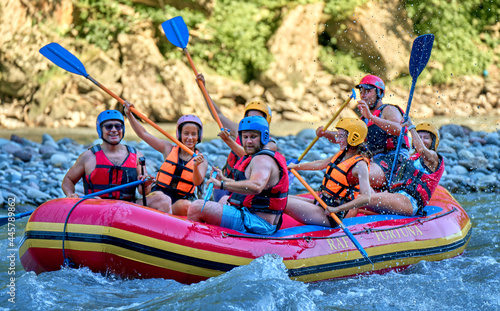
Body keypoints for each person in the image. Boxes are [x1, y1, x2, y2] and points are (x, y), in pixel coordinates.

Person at [187, 116, 289, 235]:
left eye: (253, 137)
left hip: (257, 223)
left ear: (264, 137)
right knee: (225, 199)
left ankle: (194, 243)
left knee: (196, 207)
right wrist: (224, 178)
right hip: (253, 216)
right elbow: (249, 184)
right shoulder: (257, 156)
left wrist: (222, 184)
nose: (248, 141)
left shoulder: (262, 160)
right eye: (245, 137)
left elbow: (256, 186)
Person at [325, 118, 444, 216]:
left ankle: (338, 227)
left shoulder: (434, 158)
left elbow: (422, 149)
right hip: (396, 196)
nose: (422, 140)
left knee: (359, 199)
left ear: (434, 142)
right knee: (358, 193)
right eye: (420, 137)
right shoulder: (412, 159)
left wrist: (411, 127)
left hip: (409, 202)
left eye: (426, 138)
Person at [317, 75, 410, 190]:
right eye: (361, 91)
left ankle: (370, 198)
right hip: (373, 159)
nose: (363, 95)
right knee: (338, 169)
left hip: (394, 157)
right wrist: (325, 133)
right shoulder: (363, 120)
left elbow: (401, 130)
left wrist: (372, 117)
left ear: (379, 93)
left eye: (368, 91)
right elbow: (344, 138)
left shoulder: (388, 110)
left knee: (355, 175)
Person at [62, 110, 168, 209]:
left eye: (118, 126)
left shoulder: (136, 156)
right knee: (97, 201)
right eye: (108, 127)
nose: (114, 130)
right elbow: (68, 179)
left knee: (162, 198)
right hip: (97, 206)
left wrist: (146, 184)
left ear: (122, 129)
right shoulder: (88, 156)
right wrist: (70, 194)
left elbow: (143, 192)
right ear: (100, 130)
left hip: (128, 207)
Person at [196, 73, 277, 201]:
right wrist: (203, 89)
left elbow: (250, 157)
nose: (253, 122)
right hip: (225, 183)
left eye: (258, 118)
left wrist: (228, 141)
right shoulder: (238, 129)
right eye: (249, 118)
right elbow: (218, 114)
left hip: (245, 190)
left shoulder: (271, 144)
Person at [124, 104, 208, 215]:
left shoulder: (202, 161)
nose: (190, 138)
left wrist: (196, 166)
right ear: (179, 134)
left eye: (194, 134)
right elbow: (143, 134)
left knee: (186, 205)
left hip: (177, 204)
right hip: (158, 198)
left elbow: (197, 182)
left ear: (199, 136)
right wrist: (129, 114)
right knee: (162, 198)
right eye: (186, 133)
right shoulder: (168, 149)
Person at [286, 118, 371, 226]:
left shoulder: (360, 165)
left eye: (341, 136)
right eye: (338, 136)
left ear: (353, 137)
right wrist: (296, 167)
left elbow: (366, 198)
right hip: (322, 203)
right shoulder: (342, 154)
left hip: (331, 216)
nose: (338, 140)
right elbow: (320, 164)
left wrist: (337, 209)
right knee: (284, 197)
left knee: (283, 201)